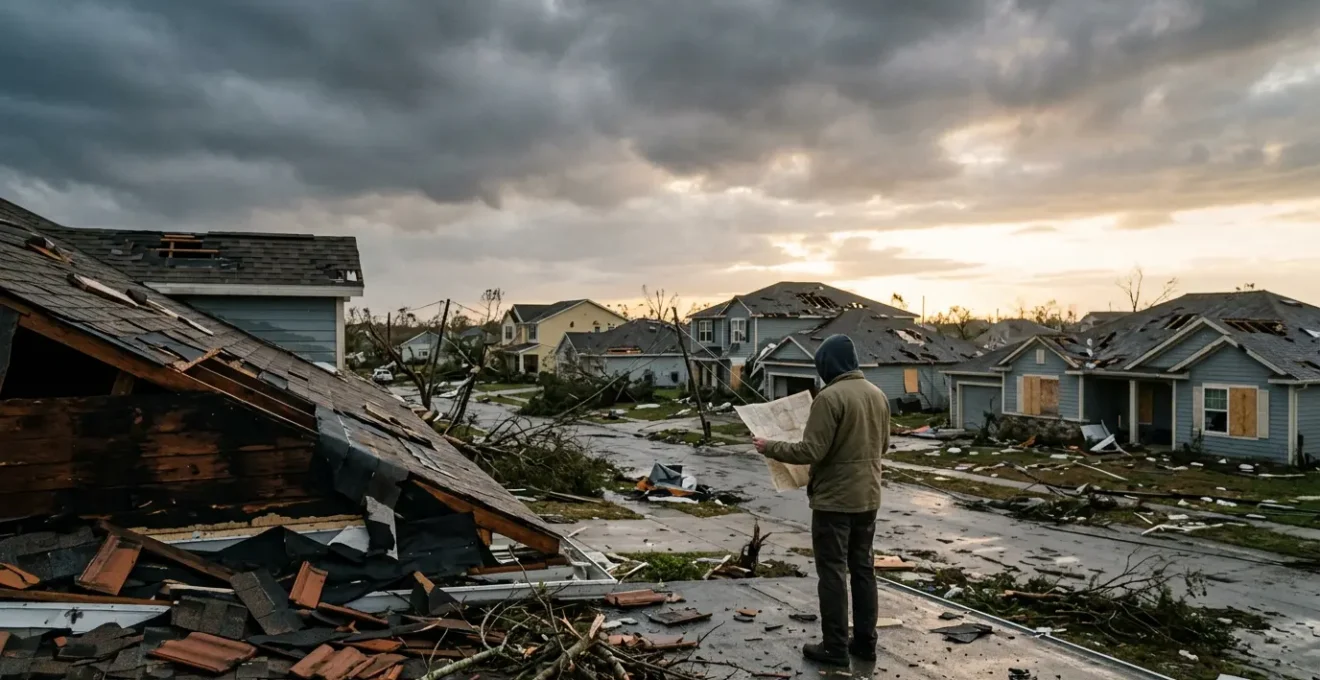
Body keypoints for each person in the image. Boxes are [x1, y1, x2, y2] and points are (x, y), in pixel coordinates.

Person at [753, 334, 889, 666]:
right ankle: (865, 644)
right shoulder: (878, 394)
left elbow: (810, 451)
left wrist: (768, 445)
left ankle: (835, 648)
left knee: (831, 573)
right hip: (869, 499)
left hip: (834, 504)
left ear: (828, 365)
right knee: (863, 570)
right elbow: (883, 446)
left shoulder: (829, 398)